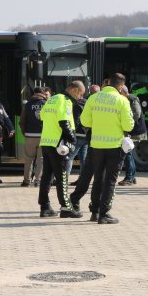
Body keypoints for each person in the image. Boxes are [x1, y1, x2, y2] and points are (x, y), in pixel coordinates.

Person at [80, 73, 134, 224]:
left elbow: (84, 121)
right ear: (120, 86)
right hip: (115, 146)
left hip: (96, 145)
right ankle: (104, 213)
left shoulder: (93, 98)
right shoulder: (122, 100)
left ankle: (95, 212)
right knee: (110, 180)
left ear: (109, 82)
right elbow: (128, 125)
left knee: (98, 178)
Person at [37, 81, 85, 219]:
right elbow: (64, 122)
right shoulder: (65, 101)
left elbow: (41, 118)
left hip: (46, 142)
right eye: (80, 94)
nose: (80, 98)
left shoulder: (52, 99)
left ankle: (45, 207)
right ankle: (66, 208)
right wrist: (73, 139)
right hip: (59, 145)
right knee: (62, 177)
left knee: (46, 176)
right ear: (74, 90)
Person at [118, 85, 147, 186]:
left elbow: (137, 114)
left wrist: (125, 121)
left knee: (127, 153)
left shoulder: (132, 99)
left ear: (124, 93)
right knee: (128, 153)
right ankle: (132, 177)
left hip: (134, 131)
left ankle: (129, 178)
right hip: (131, 130)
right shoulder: (128, 99)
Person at [19, 87, 46, 187]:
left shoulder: (27, 105)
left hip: (30, 135)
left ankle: (26, 181)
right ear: (43, 93)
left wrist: (25, 133)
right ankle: (38, 181)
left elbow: (22, 121)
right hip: (43, 136)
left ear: (33, 93)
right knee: (41, 159)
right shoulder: (46, 104)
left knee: (29, 159)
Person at [65, 84, 89, 181]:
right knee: (83, 159)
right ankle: (82, 179)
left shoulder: (76, 104)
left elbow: (76, 120)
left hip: (78, 134)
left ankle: (64, 179)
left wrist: (72, 132)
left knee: (69, 156)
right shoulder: (87, 103)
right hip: (86, 134)